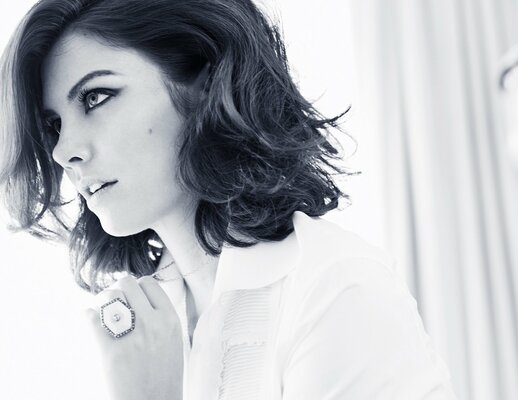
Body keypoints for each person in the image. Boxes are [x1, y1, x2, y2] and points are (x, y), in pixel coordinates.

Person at [0, 0, 457, 399]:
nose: (63, 151)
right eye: (54, 125)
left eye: (96, 97)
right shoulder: (138, 326)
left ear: (204, 80)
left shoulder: (334, 289)